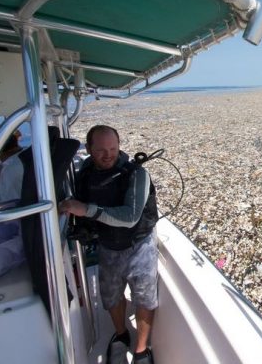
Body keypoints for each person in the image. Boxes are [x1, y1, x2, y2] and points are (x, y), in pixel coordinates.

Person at [59, 125, 159, 364]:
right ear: (89, 149)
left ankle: (141, 350)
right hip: (107, 245)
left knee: (144, 298)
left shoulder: (136, 174)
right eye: (101, 149)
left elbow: (131, 216)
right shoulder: (85, 172)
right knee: (111, 296)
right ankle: (121, 334)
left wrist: (86, 210)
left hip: (139, 245)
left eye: (113, 148)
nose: (108, 154)